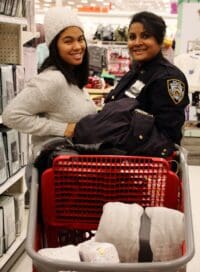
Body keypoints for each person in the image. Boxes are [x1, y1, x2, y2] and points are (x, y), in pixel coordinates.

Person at [73, 11, 190, 158]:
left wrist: (117, 145)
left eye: (145, 36)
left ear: (159, 40)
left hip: (143, 165)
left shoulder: (169, 78)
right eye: (132, 37)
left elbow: (167, 134)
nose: (137, 42)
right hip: (121, 159)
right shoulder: (136, 71)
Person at [2, 7, 97, 161]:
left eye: (80, 39)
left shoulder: (72, 78)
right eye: (68, 41)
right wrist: (64, 129)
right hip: (54, 172)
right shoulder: (53, 80)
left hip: (72, 170)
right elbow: (11, 116)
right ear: (54, 46)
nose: (78, 46)